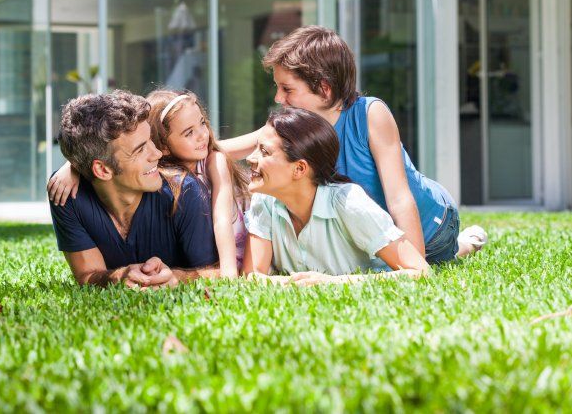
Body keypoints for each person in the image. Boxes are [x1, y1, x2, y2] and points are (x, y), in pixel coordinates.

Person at [223, 25, 487, 265]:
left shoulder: (370, 115)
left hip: (432, 226)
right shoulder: (295, 126)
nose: (278, 97)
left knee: (436, 259)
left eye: (287, 89)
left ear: (324, 89)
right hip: (376, 232)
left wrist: (414, 264)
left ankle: (465, 243)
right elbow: (233, 147)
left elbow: (399, 198)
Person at [51, 90, 219, 288]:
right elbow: (87, 276)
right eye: (140, 149)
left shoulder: (184, 191)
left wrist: (178, 277)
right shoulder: (66, 194)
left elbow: (220, 272)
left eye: (151, 140)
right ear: (102, 169)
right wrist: (119, 277)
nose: (157, 153)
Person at [243, 107, 430, 285]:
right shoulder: (265, 199)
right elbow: (252, 276)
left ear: (299, 168)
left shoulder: (349, 203)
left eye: (264, 152)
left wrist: (333, 282)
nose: (250, 158)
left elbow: (420, 271)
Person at [144, 90, 249, 277]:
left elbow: (222, 219)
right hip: (200, 262)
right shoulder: (161, 178)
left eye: (201, 123)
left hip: (233, 257)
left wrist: (229, 274)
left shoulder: (214, 162)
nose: (202, 135)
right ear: (164, 146)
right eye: (189, 132)